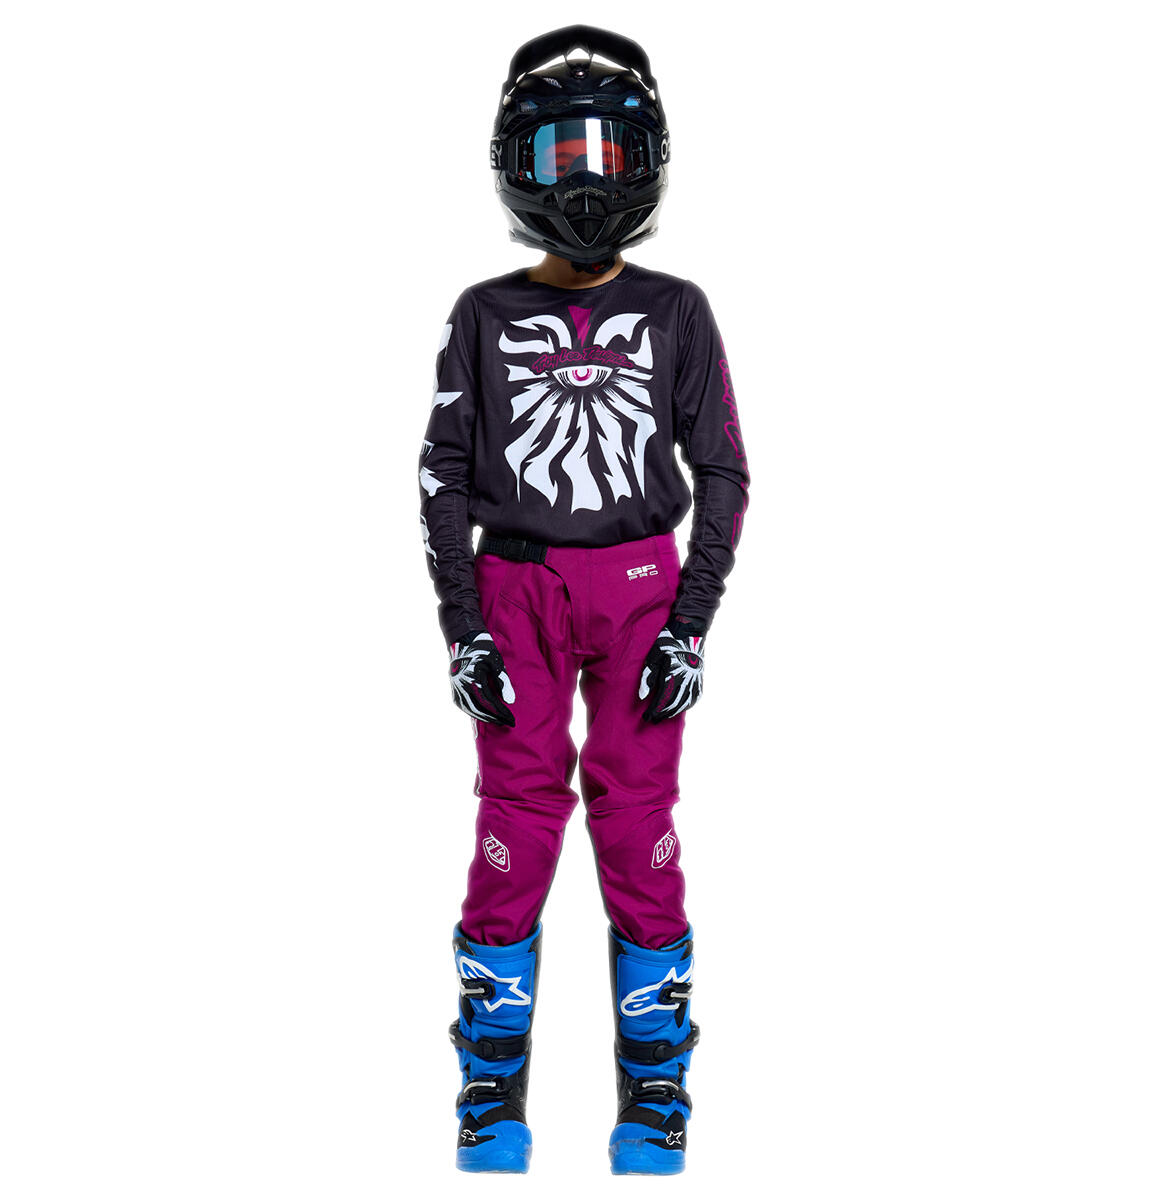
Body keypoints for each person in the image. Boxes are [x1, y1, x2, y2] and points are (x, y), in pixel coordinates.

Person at [419, 25, 749, 1175]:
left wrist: (691, 626)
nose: (585, 179)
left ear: (647, 162)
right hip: (513, 586)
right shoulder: (481, 312)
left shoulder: (678, 309)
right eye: (560, 154)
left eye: (608, 153)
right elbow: (442, 475)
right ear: (517, 163)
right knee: (512, 832)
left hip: (642, 588)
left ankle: (655, 1098)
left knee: (639, 833)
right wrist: (464, 629)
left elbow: (723, 469)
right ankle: (489, 1096)